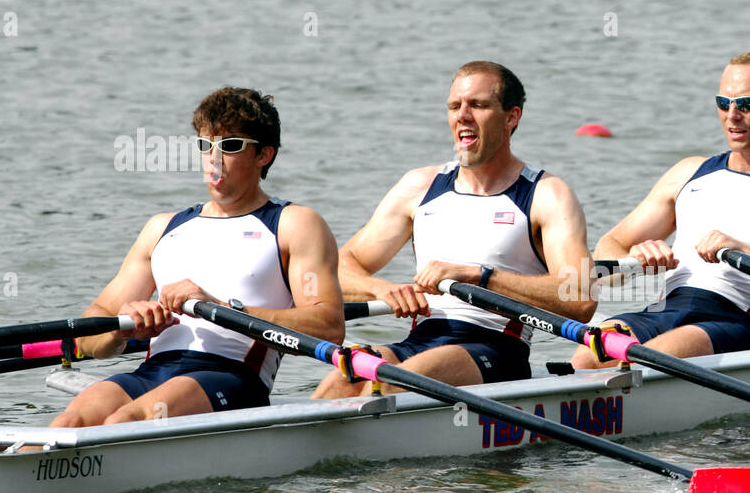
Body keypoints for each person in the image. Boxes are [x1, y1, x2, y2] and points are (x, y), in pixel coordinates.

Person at [52, 87, 345, 426]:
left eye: (230, 146)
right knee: (68, 423)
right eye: (206, 145)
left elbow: (328, 327)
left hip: (232, 378)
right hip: (153, 371)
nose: (214, 159)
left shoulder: (294, 224)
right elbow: (89, 333)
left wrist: (223, 308)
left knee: (127, 420)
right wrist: (124, 327)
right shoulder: (162, 228)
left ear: (264, 155)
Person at [312, 61, 596, 398]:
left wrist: (480, 276)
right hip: (421, 339)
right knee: (338, 383)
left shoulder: (547, 195)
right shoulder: (419, 186)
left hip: (495, 347)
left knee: (389, 384)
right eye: (454, 106)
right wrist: (381, 289)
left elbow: (580, 297)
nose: (462, 115)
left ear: (511, 117)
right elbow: (340, 268)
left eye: (478, 105)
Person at [570, 51, 750, 368]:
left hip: (737, 321)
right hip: (665, 310)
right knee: (586, 357)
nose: (732, 116)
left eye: (747, 104)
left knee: (650, 360)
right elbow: (608, 248)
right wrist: (636, 260)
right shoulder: (688, 173)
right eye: (723, 103)